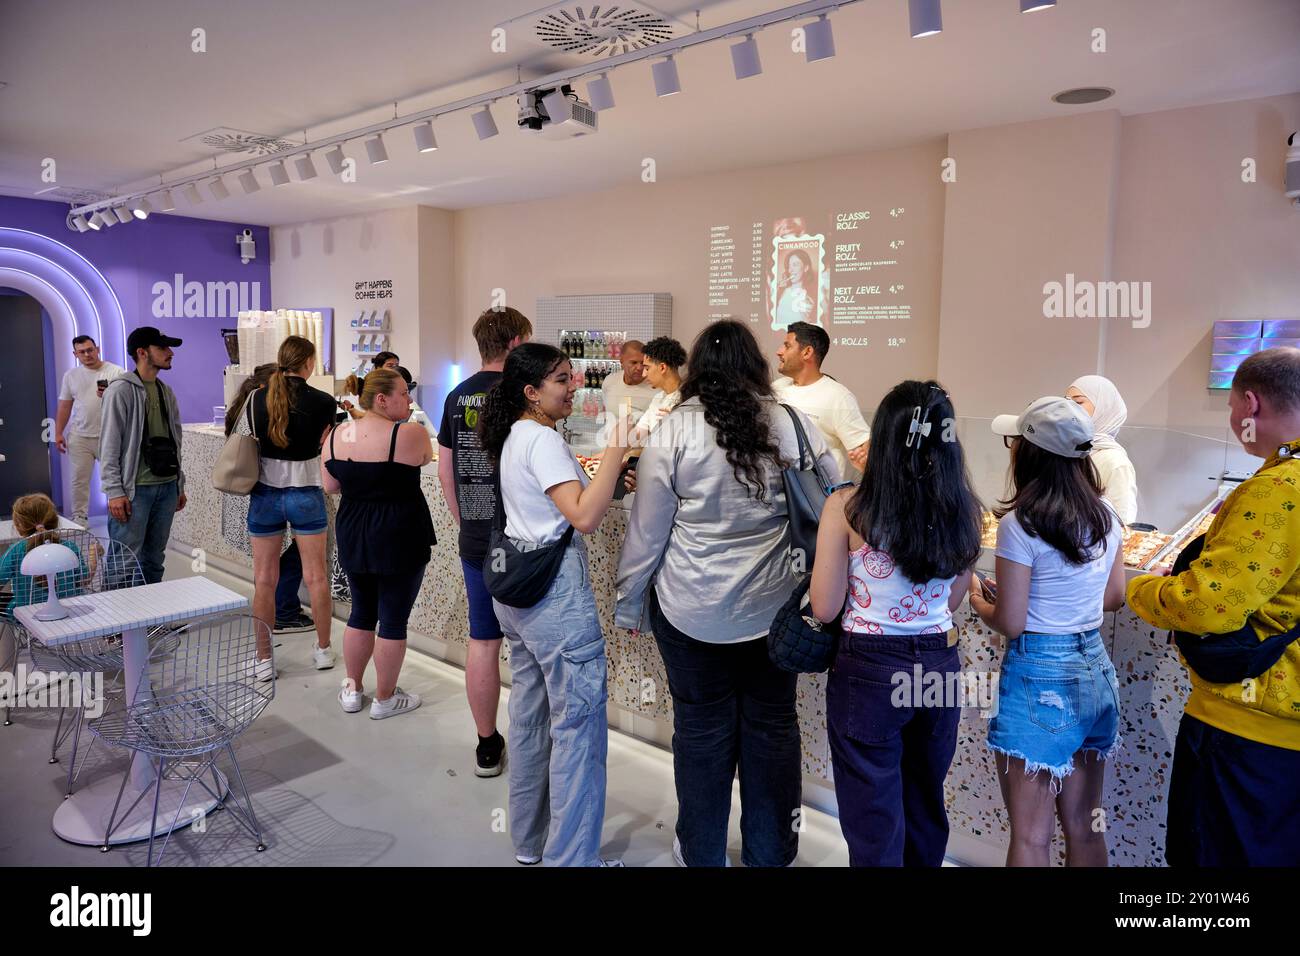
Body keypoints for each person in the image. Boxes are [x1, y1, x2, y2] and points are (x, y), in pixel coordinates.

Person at [616, 319, 840, 868]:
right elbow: (838, 494)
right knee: (772, 729)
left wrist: (628, 602)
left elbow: (647, 533)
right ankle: (770, 852)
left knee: (699, 735)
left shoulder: (673, 431)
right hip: (776, 617)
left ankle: (701, 850)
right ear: (755, 367)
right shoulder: (791, 422)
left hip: (690, 611)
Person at [1127, 348, 1300, 865]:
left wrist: (1140, 589)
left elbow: (1209, 607)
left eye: (1231, 407)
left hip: (1247, 729)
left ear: (1250, 403)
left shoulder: (1278, 490)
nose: (1231, 421)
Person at [809, 381, 982, 867]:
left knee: (872, 812)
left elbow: (824, 607)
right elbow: (951, 599)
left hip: (867, 669)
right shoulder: (966, 511)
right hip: (937, 664)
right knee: (926, 800)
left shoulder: (847, 507)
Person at [478, 342, 632, 867]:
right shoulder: (541, 439)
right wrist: (617, 446)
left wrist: (609, 476)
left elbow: (567, 504)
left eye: (572, 377)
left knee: (529, 719)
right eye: (562, 380)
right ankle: (575, 859)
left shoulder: (516, 436)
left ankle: (529, 843)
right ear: (531, 392)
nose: (572, 388)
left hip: (519, 600)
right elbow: (583, 518)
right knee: (578, 730)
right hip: (556, 603)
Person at [969, 396, 1126, 868]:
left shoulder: (1020, 525)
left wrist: (980, 602)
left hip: (1039, 677)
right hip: (1095, 672)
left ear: (1029, 453)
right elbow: (1114, 596)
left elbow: (1012, 623)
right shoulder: (1108, 517)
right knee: (1083, 826)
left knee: (1032, 837)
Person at [438, 305, 532, 777]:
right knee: (533, 646)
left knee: (483, 641)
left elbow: (445, 474)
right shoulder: (522, 397)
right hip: (526, 546)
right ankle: (537, 746)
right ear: (515, 343)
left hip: (477, 542)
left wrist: (467, 523)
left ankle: (486, 744)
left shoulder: (456, 396)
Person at [322, 368, 434, 719]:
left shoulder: (336, 434)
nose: (411, 398)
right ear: (382, 399)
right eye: (404, 392)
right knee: (393, 619)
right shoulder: (409, 434)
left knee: (361, 612)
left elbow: (331, 486)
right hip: (401, 530)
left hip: (354, 529)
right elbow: (425, 459)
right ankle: (385, 698)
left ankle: (353, 688)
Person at [244, 337, 338, 679]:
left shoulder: (256, 398)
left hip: (265, 494)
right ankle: (324, 650)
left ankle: (264, 659)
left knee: (264, 581)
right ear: (309, 363)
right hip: (306, 493)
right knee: (316, 577)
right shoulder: (325, 402)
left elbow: (242, 437)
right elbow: (327, 445)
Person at [224, 364, 314, 636]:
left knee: (266, 565)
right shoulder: (264, 413)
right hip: (270, 494)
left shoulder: (241, 411)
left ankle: (272, 613)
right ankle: (284, 612)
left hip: (249, 495)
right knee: (287, 558)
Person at [99, 326, 186, 585]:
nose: (170, 353)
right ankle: (116, 625)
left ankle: (151, 623)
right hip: (135, 491)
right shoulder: (121, 390)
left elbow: (176, 442)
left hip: (166, 487)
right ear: (142, 353)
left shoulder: (165, 391)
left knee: (153, 560)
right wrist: (115, 491)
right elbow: (110, 445)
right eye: (162, 348)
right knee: (122, 562)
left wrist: (178, 485)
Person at [773, 321, 871, 479]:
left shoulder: (838, 397)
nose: (779, 351)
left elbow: (865, 453)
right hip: (779, 497)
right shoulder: (776, 388)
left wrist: (865, 461)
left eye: (787, 345)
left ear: (807, 352)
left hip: (820, 500)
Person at [54, 335, 124, 526]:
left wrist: (109, 394)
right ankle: (80, 517)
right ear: (75, 354)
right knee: (79, 480)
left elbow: (127, 402)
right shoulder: (71, 375)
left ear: (97, 349)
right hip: (79, 437)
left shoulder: (116, 371)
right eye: (82, 352)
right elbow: (64, 406)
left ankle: (117, 513)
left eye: (90, 350)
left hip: (109, 436)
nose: (87, 354)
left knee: (113, 478)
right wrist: (58, 432)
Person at [0, 493, 89, 620]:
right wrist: (93, 556)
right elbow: (83, 580)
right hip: (69, 613)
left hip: (29, 619)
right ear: (55, 521)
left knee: (11, 605)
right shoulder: (70, 547)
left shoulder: (14, 551)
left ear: (19, 526)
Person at [1066, 375, 1139, 525]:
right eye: (1066, 402)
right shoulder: (1065, 449)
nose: (1069, 409)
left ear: (1103, 407)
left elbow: (1122, 523)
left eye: (1078, 402)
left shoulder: (1114, 462)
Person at [633, 336, 686, 442]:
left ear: (662, 368)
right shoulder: (658, 398)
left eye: (647, 368)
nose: (643, 374)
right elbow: (635, 436)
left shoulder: (688, 399)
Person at [600, 339, 656, 437]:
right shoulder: (609, 381)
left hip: (640, 450)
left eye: (643, 363)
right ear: (621, 361)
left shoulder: (655, 387)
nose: (639, 368)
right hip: (609, 448)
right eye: (633, 363)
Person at [773, 249, 817, 328]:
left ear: (806, 268)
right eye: (789, 266)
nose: (790, 270)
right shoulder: (780, 291)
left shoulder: (809, 299)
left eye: (795, 265)